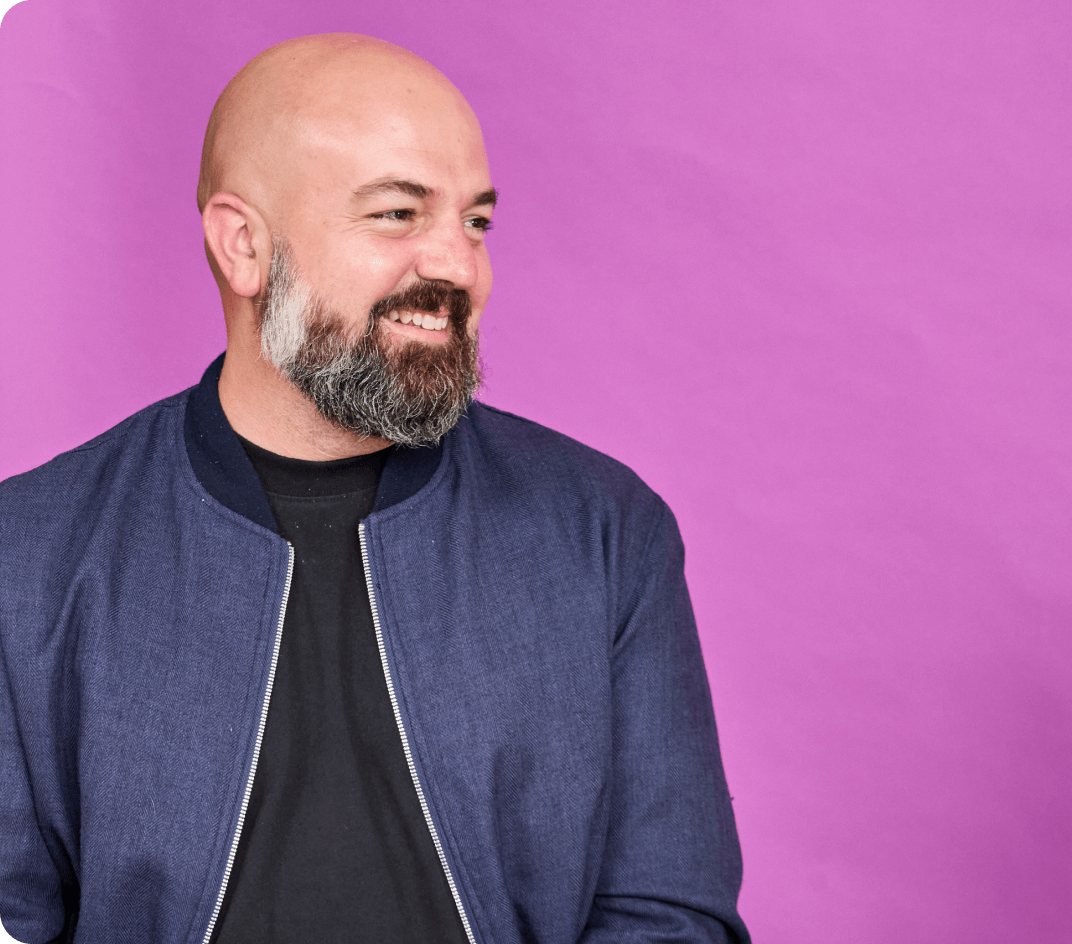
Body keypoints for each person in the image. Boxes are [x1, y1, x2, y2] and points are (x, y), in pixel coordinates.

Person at [0, 34, 749, 944]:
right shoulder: (27, 556)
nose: (458, 266)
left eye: (475, 222)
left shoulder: (602, 531)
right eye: (399, 214)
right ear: (244, 246)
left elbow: (667, 915)